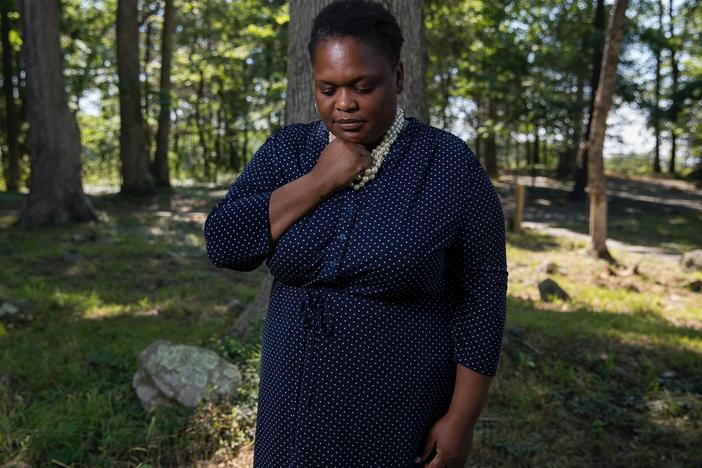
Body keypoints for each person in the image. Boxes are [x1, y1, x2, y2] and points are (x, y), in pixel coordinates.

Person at [203, 1, 508, 466]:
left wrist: (461, 421)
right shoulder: (289, 151)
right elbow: (224, 243)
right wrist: (318, 181)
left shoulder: (447, 166)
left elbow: (482, 295)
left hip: (394, 406)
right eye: (328, 89)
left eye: (363, 87)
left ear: (399, 78)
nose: (344, 104)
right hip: (292, 401)